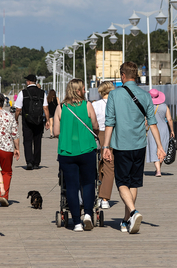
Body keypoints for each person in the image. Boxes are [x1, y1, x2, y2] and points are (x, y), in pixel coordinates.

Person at [101, 62, 165, 235]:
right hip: (139, 145)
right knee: (133, 183)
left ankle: (134, 212)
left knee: (122, 183)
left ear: (123, 75)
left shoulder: (114, 95)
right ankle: (126, 220)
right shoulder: (145, 96)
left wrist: (106, 146)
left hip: (121, 145)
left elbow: (109, 122)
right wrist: (159, 146)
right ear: (135, 76)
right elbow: (152, 123)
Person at [54, 78, 99, 232]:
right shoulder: (87, 105)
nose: (85, 91)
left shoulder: (61, 107)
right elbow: (95, 125)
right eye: (83, 89)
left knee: (71, 186)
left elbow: (56, 132)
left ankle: (77, 223)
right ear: (78, 90)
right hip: (87, 149)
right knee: (88, 183)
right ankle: (88, 214)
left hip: (67, 151)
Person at [13, 74, 50, 170]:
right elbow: (45, 108)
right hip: (39, 120)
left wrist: (16, 119)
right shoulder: (42, 93)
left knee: (27, 141)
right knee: (37, 141)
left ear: (28, 82)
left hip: (27, 121)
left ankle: (29, 162)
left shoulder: (23, 93)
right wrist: (47, 120)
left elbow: (18, 109)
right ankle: (36, 163)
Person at [92, 81, 115, 209]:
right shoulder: (116, 104)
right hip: (112, 134)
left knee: (100, 165)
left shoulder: (95, 105)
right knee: (109, 166)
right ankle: (105, 198)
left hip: (98, 134)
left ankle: (100, 195)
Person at [146, 88, 172, 177]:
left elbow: (145, 120)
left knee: (154, 148)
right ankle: (159, 168)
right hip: (164, 128)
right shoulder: (165, 106)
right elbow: (169, 119)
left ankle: (158, 170)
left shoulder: (148, 107)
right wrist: (172, 130)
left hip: (152, 129)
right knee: (162, 148)